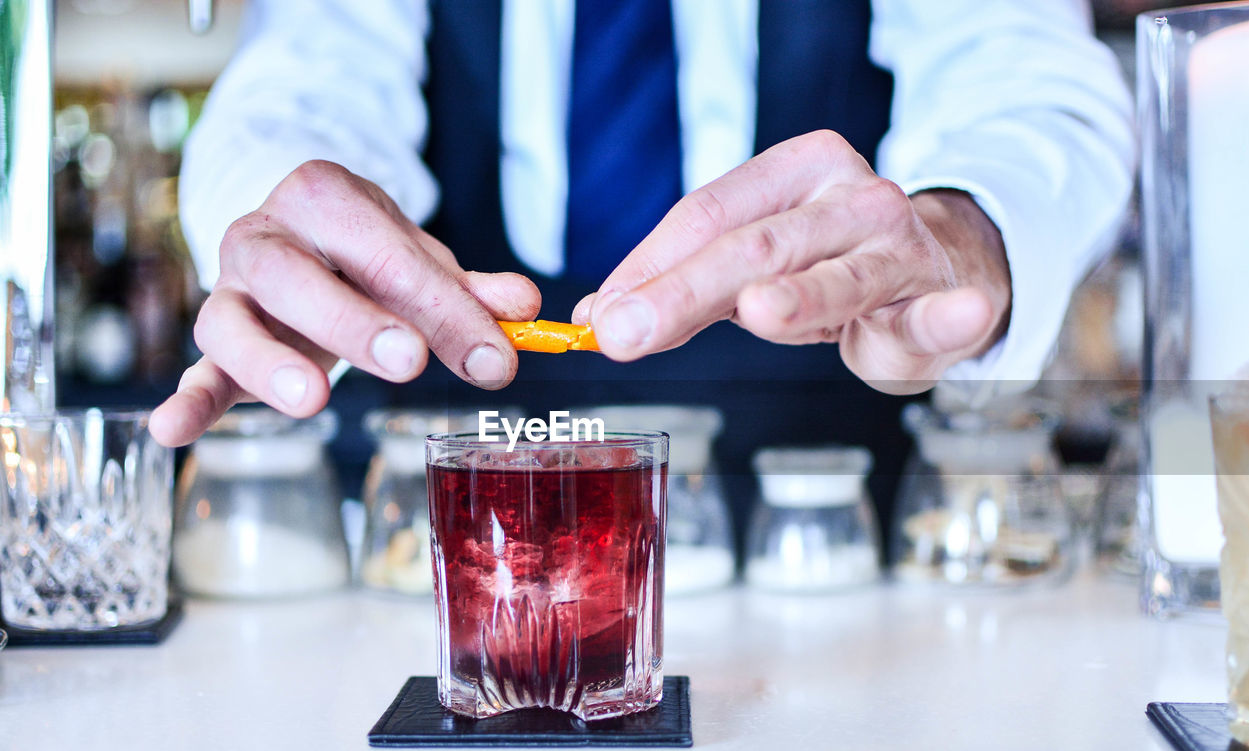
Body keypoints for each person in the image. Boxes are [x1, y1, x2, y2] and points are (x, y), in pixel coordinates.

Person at [149, 0, 1133, 526]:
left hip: (821, 533)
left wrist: (964, 227)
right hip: (432, 546)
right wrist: (281, 202)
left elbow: (1024, 80)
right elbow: (304, 79)